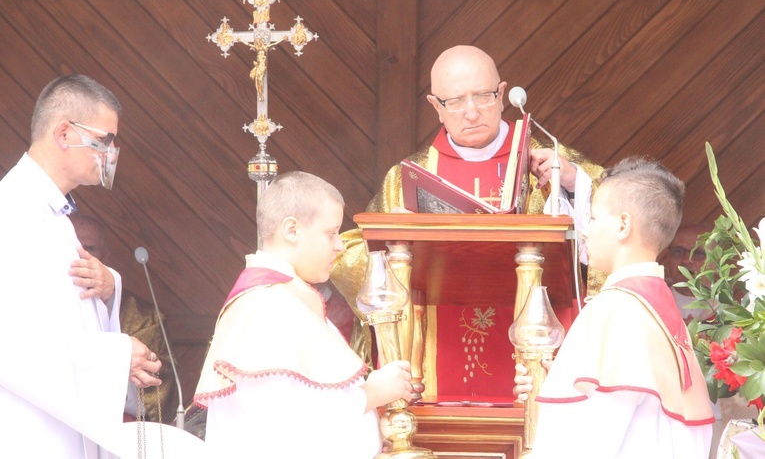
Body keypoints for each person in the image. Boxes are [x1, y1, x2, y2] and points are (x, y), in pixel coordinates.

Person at [331, 44, 604, 398]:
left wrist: (572, 183)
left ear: (503, 94)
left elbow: (619, 222)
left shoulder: (549, 159)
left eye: (484, 96)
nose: (472, 112)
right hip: (436, 353)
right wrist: (391, 244)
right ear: (435, 107)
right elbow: (348, 255)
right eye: (456, 101)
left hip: (537, 349)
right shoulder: (407, 178)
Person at [194, 171, 413, 458]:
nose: (340, 245)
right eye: (331, 232)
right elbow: (284, 422)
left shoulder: (287, 300)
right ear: (292, 230)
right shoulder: (265, 305)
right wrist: (371, 394)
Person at [0, 75, 162, 458]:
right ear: (63, 133)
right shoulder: (11, 214)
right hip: (29, 432)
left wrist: (109, 288)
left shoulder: (55, 216)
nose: (110, 153)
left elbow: (66, 313)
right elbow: (12, 346)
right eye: (104, 140)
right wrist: (116, 356)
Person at [517, 157, 715, 458]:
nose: (586, 231)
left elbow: (585, 443)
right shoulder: (660, 313)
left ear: (623, 225)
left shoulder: (614, 310)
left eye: (594, 218)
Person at [70, 214, 177, 424]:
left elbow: (158, 386)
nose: (80, 255)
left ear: (105, 255)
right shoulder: (40, 302)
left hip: (119, 427)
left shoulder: (144, 318)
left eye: (89, 248)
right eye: (73, 246)